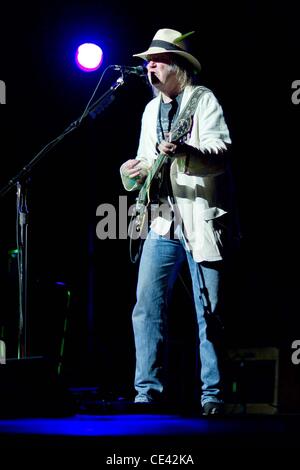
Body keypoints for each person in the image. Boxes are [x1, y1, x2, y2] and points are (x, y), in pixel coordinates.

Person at [120, 28, 235, 415]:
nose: (149, 65)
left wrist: (186, 150)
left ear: (178, 66)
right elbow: (147, 163)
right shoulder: (151, 110)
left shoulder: (203, 102)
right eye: (146, 61)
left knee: (210, 312)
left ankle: (213, 397)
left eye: (157, 59)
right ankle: (146, 393)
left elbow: (221, 154)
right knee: (146, 305)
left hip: (200, 218)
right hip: (164, 220)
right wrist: (133, 171)